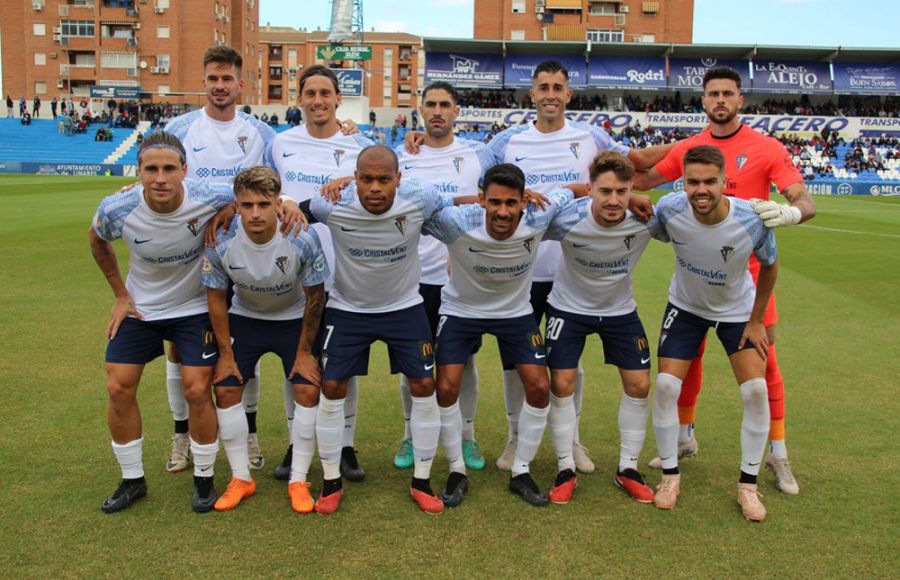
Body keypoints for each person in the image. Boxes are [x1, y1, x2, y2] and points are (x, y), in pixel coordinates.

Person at [481, 60, 669, 474]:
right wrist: (418, 139)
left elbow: (627, 172)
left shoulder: (592, 137)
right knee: (517, 362)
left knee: (571, 363)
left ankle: (573, 440)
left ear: (569, 94)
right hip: (521, 271)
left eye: (558, 87)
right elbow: (477, 185)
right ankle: (515, 437)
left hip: (576, 273)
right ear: (531, 94)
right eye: (543, 86)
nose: (550, 93)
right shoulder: (506, 143)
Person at [634, 66, 816, 495]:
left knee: (766, 366)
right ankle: (683, 437)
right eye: (712, 93)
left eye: (727, 94)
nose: (720, 100)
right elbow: (642, 176)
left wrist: (793, 213)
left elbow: (802, 198)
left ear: (741, 100)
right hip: (697, 279)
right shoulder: (691, 149)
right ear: (703, 100)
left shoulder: (766, 147)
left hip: (749, 282)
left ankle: (778, 452)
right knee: (688, 359)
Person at [88, 131, 235, 514]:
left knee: (198, 389)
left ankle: (204, 479)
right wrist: (121, 294)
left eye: (169, 168)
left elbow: (255, 194)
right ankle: (132, 480)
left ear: (185, 170)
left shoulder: (210, 194)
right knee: (118, 385)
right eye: (150, 169)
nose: (160, 178)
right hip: (141, 309)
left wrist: (230, 209)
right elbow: (97, 238)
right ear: (137, 172)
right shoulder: (116, 208)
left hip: (192, 307)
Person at [307, 145, 450, 515]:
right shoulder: (331, 205)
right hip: (348, 309)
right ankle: (330, 482)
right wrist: (290, 204)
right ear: (354, 178)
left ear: (399, 180)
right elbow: (295, 207)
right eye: (365, 179)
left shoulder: (421, 199)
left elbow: (461, 201)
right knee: (332, 384)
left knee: (424, 385)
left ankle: (422, 481)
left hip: (404, 308)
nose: (374, 188)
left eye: (384, 180)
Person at [422, 163, 574, 508]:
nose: (503, 212)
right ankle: (456, 469)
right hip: (461, 312)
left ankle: (521, 471)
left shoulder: (539, 216)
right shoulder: (456, 222)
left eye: (511, 203)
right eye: (494, 203)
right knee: (445, 386)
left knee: (538, 386)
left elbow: (577, 190)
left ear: (525, 201)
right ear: (481, 201)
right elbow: (419, 203)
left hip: (515, 314)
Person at [164, 45, 278, 474]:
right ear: (203, 81)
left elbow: (270, 188)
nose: (219, 86)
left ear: (240, 84)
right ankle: (181, 436)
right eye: (212, 78)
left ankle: (248, 435)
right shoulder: (179, 128)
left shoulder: (260, 134)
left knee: (241, 344)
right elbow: (158, 175)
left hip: (242, 253)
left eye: (227, 79)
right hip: (188, 250)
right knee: (179, 347)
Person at [650, 145, 777, 522]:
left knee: (755, 391)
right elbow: (645, 226)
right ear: (682, 182)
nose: (700, 190)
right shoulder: (670, 209)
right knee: (666, 387)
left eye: (709, 181)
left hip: (737, 311)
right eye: (692, 182)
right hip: (686, 307)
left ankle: (748, 487)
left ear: (725, 182)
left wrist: (756, 320)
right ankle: (669, 478)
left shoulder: (751, 219)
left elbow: (770, 266)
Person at [202, 167, 328, 513]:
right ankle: (241, 478)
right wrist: (225, 354)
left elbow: (316, 296)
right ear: (236, 205)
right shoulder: (222, 239)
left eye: (263, 204)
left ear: (278, 203)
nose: (255, 213)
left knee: (307, 387)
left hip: (293, 319)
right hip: (246, 317)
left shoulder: (301, 236)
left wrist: (305, 352)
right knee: (225, 386)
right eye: (247, 205)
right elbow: (215, 298)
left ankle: (298, 480)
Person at [271, 64, 374, 483]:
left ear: (337, 100)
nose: (317, 101)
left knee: (340, 365)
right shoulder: (279, 143)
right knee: (295, 362)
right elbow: (263, 188)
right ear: (299, 100)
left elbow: (387, 176)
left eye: (325, 93)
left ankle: (344, 444)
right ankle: (298, 440)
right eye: (309, 93)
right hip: (293, 272)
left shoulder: (359, 144)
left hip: (345, 269)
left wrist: (352, 174)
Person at [541, 151, 659, 505]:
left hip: (620, 311)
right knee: (562, 383)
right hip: (568, 308)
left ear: (631, 190)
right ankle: (565, 468)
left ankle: (628, 468)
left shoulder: (646, 220)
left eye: (622, 192)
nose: (613, 200)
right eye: (604, 191)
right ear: (589, 189)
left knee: (639, 384)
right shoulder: (565, 219)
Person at [390, 81, 495, 471]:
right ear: (420, 110)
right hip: (411, 278)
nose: (437, 110)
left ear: (457, 112)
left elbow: (492, 201)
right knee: (412, 363)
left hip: (459, 278)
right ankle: (410, 435)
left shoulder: (477, 155)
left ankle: (466, 436)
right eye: (430, 104)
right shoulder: (403, 155)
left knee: (461, 361)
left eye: (444, 105)